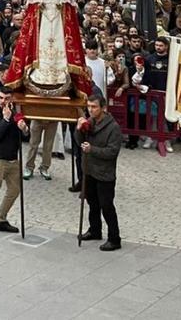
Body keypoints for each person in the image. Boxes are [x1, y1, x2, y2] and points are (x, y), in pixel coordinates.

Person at [77, 93, 123, 251]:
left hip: (105, 173)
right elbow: (80, 142)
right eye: (88, 107)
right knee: (92, 203)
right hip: (89, 170)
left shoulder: (113, 128)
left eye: (94, 107)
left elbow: (112, 152)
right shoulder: (89, 122)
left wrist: (92, 150)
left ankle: (114, 238)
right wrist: (78, 129)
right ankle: (95, 230)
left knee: (107, 205)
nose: (91, 110)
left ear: (103, 108)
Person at [0, 90, 28, 241]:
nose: (3, 101)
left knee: (15, 190)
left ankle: (0, 219)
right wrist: (6, 120)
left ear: (12, 99)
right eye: (1, 97)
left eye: (6, 98)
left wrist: (24, 129)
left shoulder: (16, 112)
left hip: (13, 158)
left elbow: (25, 136)